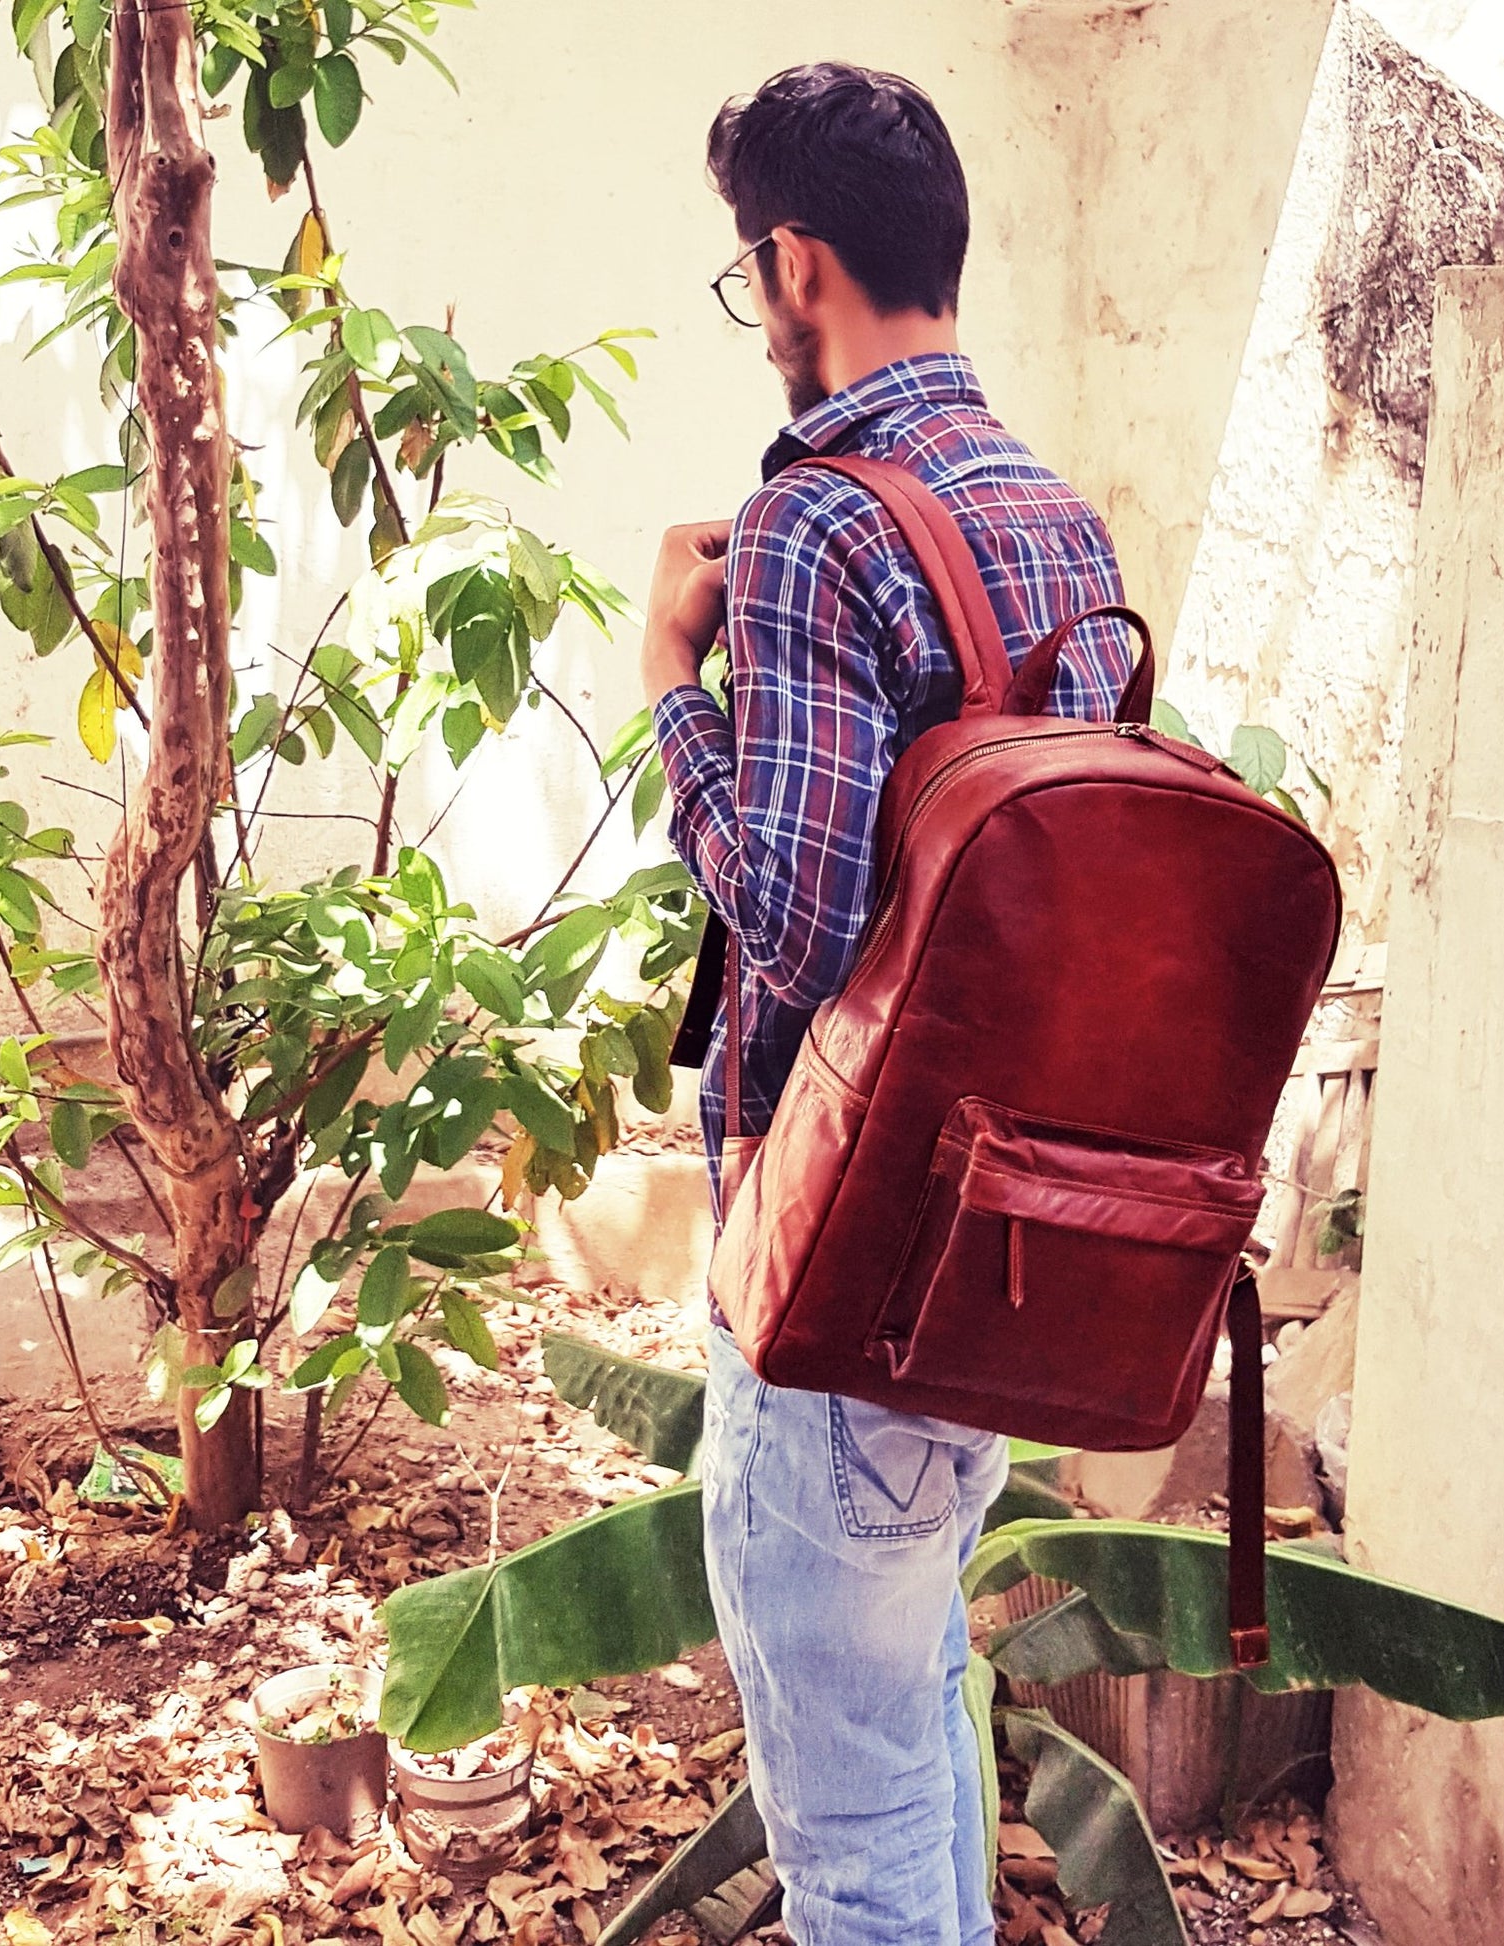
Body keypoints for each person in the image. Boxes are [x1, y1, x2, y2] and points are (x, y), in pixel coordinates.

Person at [640, 63, 1138, 1946]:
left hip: (837, 1280)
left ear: (795, 265)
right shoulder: (1056, 522)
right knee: (915, 1724)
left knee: (849, 1842)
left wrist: (674, 676)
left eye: (744, 273)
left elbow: (793, 916)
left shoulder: (817, 531)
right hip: (997, 1259)